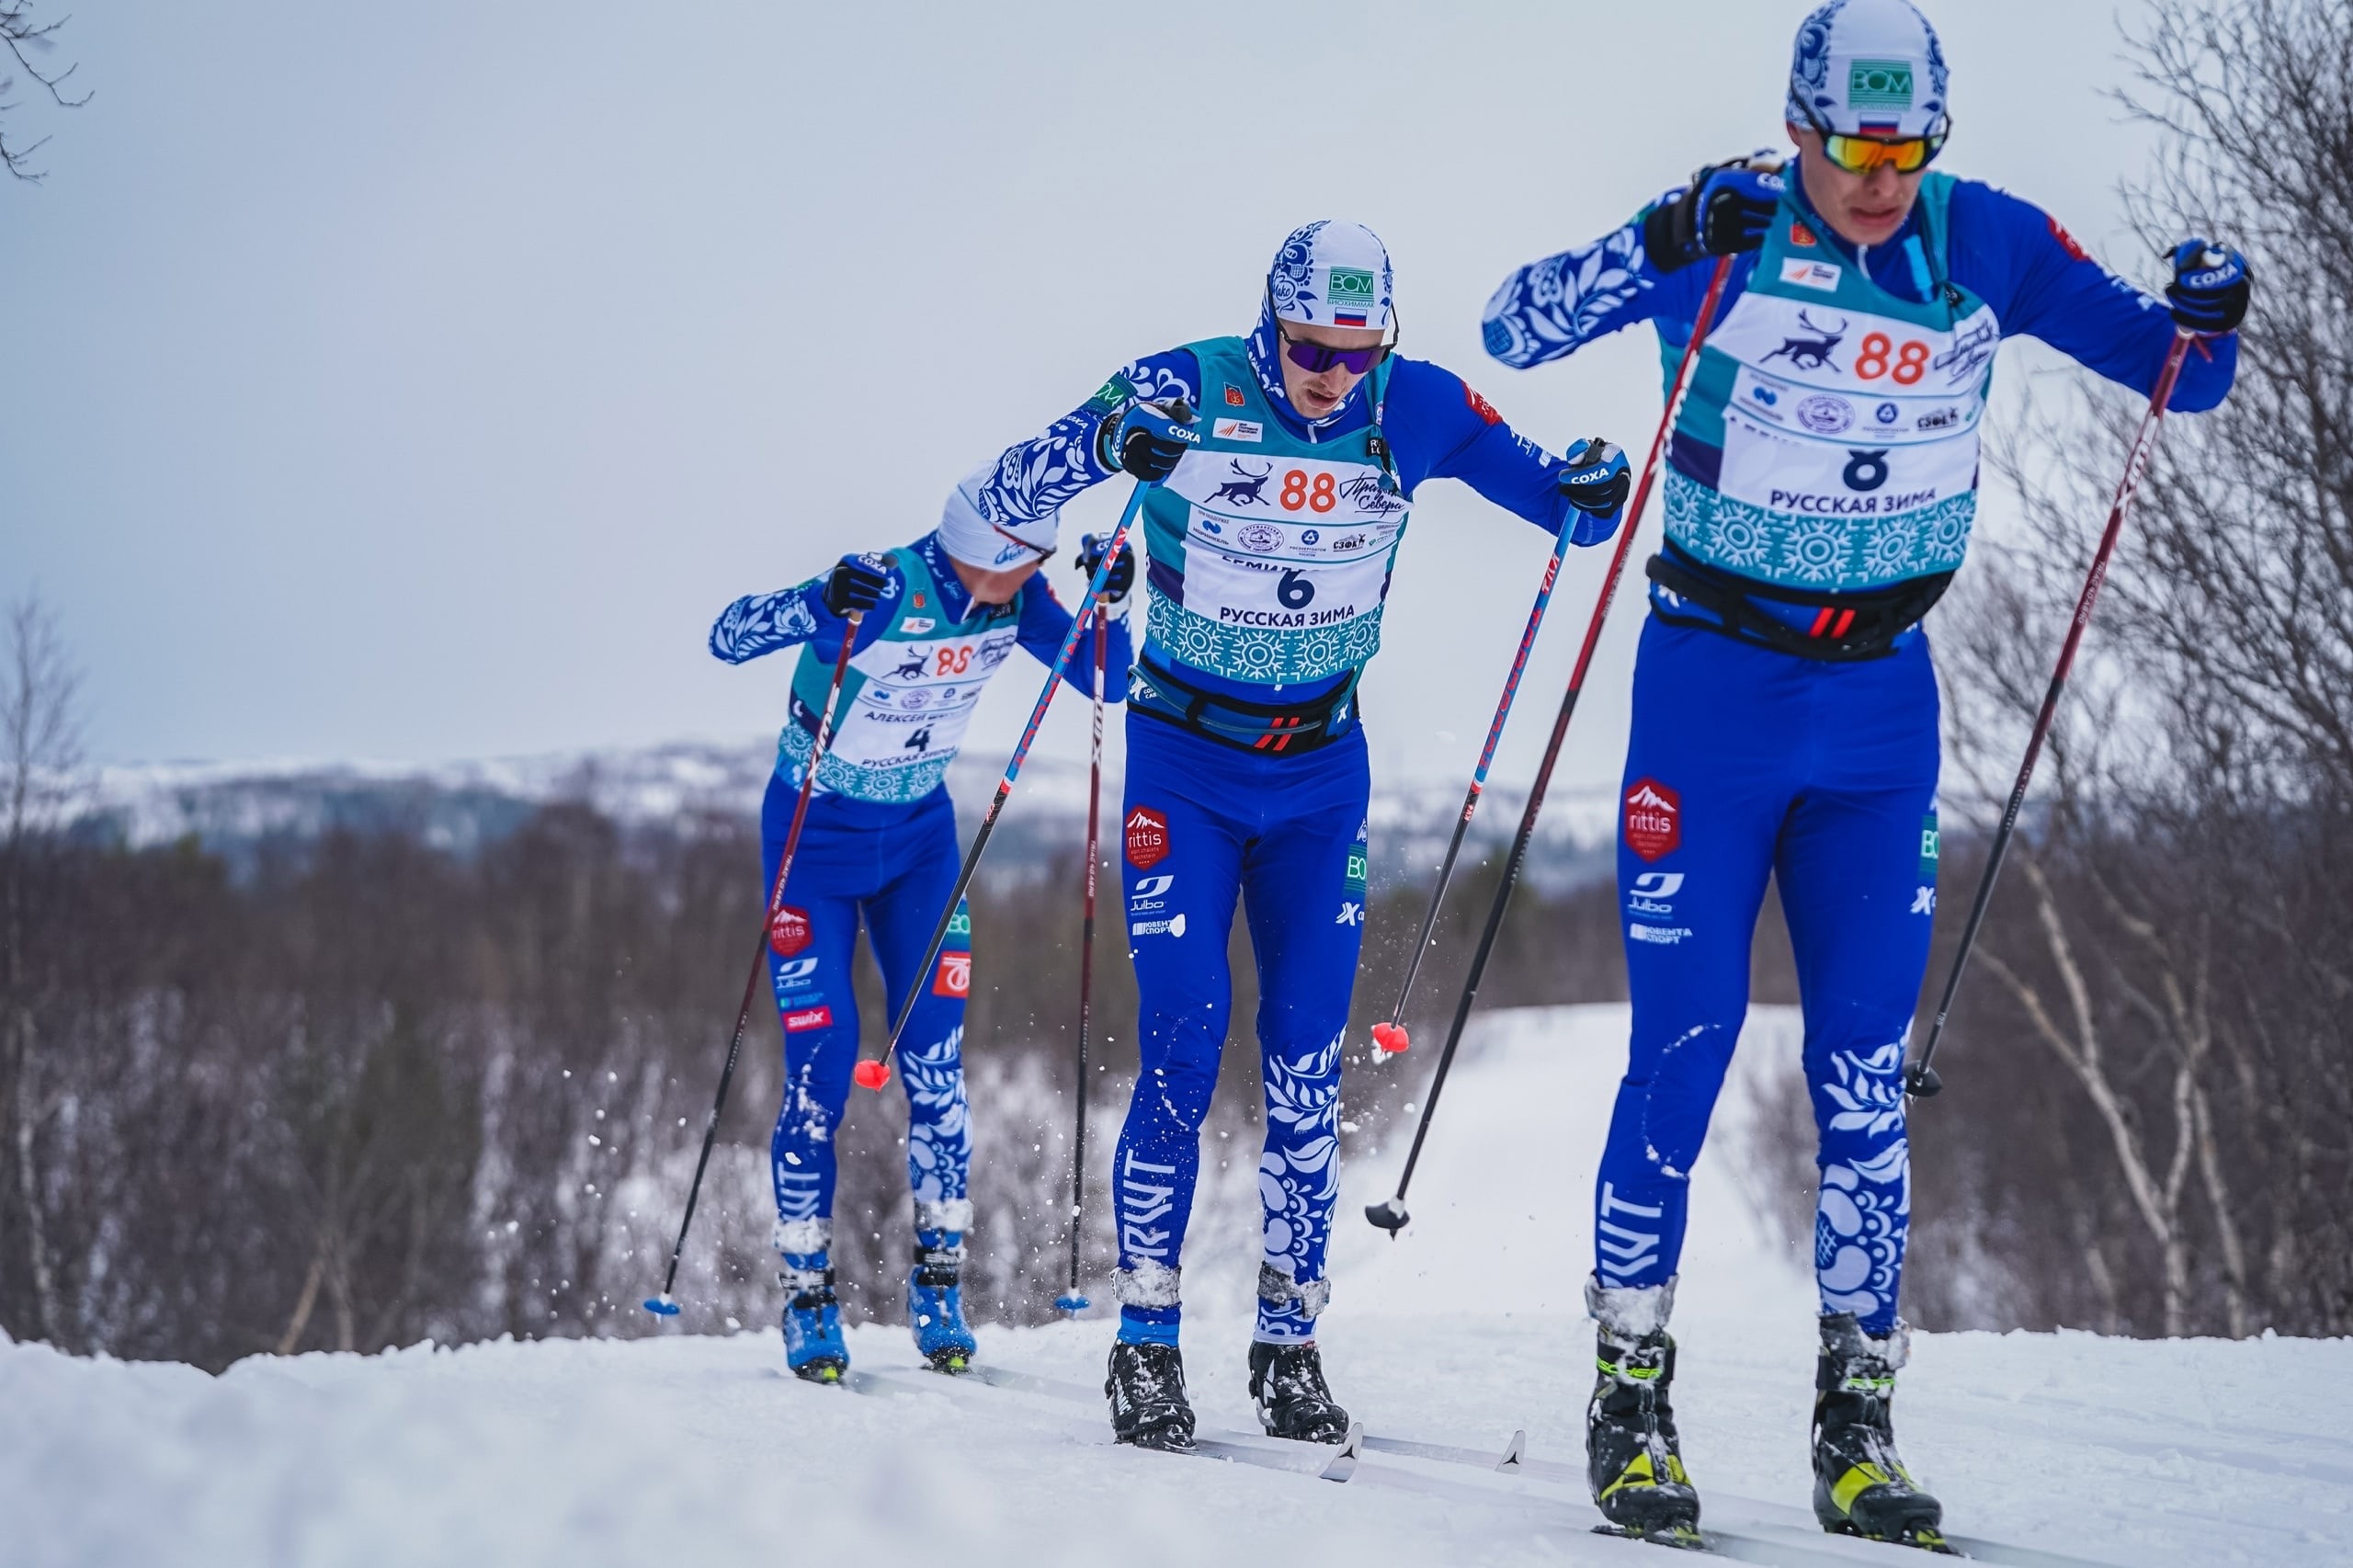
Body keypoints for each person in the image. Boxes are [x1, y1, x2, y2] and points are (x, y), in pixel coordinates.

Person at [1480, 0, 2248, 1547]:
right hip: (1713, 689)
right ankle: (1630, 1399)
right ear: (1799, 126)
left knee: (1863, 1082)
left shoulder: (1989, 239)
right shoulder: (1727, 223)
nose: (1882, 177)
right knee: (1683, 1055)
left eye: (1909, 148)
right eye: (1855, 146)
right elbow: (1513, 325)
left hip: (1882, 705)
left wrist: (2209, 314)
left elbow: (2183, 379)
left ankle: (1856, 1423)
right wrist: (1654, 235)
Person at [966, 219, 1634, 1451]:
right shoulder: (1186, 384)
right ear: (1268, 326)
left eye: (1355, 347)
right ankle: (1149, 1340)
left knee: (1307, 1055)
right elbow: (1007, 493)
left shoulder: (1414, 405)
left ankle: (1288, 1336)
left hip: (1322, 774)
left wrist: (1593, 484)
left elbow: (1566, 505)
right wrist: (1109, 442)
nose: (1330, 373)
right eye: (1308, 347)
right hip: (1184, 758)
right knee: (1183, 1036)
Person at [708, 473, 1136, 1381]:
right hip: (810, 845)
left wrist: (1112, 598)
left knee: (934, 1067)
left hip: (917, 847)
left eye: (1046, 562)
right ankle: (808, 1293)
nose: (1036, 576)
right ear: (982, 548)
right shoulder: (885, 583)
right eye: (1028, 559)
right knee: (823, 1067)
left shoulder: (1014, 601)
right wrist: (814, 599)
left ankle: (939, 1285)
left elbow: (1107, 676)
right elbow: (728, 635)